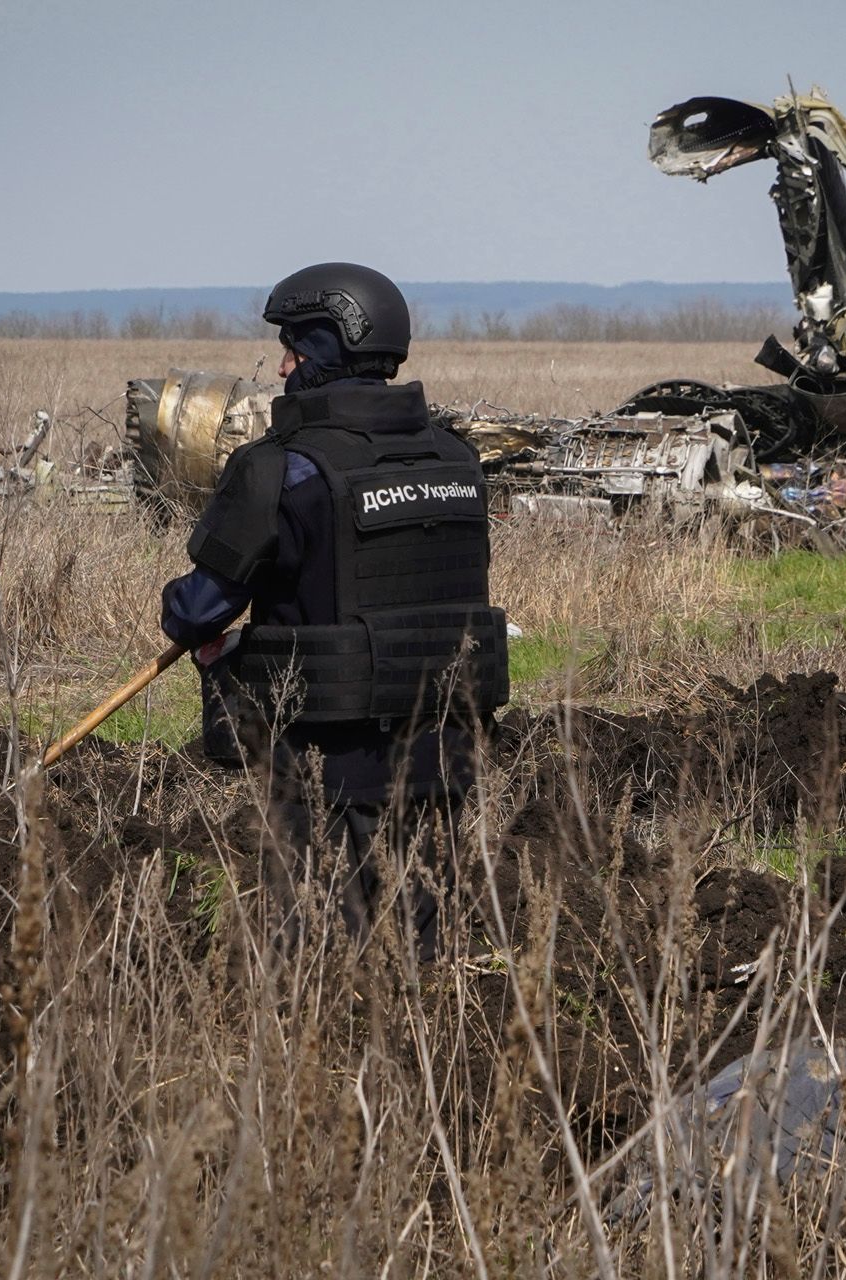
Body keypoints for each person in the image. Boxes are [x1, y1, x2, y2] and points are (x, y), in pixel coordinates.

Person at [159, 262, 508, 959]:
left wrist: (186, 614)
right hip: (446, 755)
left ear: (326, 349)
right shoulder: (458, 460)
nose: (282, 365)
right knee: (421, 952)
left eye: (292, 347)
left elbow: (198, 611)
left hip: (326, 761)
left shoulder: (279, 467)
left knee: (313, 956)